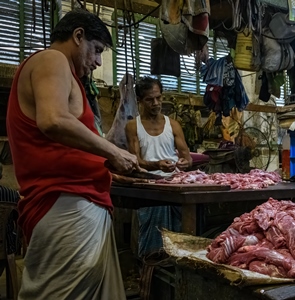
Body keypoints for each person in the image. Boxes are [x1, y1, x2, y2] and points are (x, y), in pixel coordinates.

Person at [6, 9, 141, 299]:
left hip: (77, 204)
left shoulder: (67, 75)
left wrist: (107, 167)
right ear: (78, 36)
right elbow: (52, 120)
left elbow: (67, 144)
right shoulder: (51, 59)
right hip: (64, 205)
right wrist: (113, 152)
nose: (98, 62)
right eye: (97, 50)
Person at [125, 76, 192, 299]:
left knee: (178, 242)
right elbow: (134, 161)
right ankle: (150, 288)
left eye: (159, 98)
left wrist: (184, 162)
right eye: (150, 99)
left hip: (174, 188)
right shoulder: (133, 126)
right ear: (140, 101)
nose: (156, 103)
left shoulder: (173, 125)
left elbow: (187, 158)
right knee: (151, 245)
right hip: (150, 189)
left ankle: (176, 287)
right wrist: (156, 165)